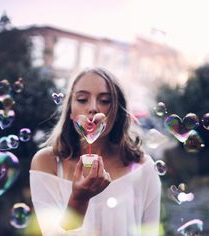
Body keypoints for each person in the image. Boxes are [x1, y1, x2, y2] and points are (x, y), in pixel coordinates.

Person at [30, 67, 161, 236]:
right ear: (70, 111)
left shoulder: (143, 167)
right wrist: (78, 200)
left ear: (117, 111)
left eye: (105, 101)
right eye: (82, 99)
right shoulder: (47, 163)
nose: (93, 108)